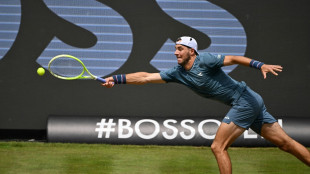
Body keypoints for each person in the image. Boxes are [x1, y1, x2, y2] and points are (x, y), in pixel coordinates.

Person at [102, 36, 310, 173]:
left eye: (180, 49)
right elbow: (145, 77)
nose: (176, 53)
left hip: (244, 101)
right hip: (250, 101)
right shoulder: (177, 73)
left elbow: (234, 58)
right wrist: (116, 79)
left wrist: (260, 65)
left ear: (192, 51)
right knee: (285, 144)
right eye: (175, 49)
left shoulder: (206, 60)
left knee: (218, 147)